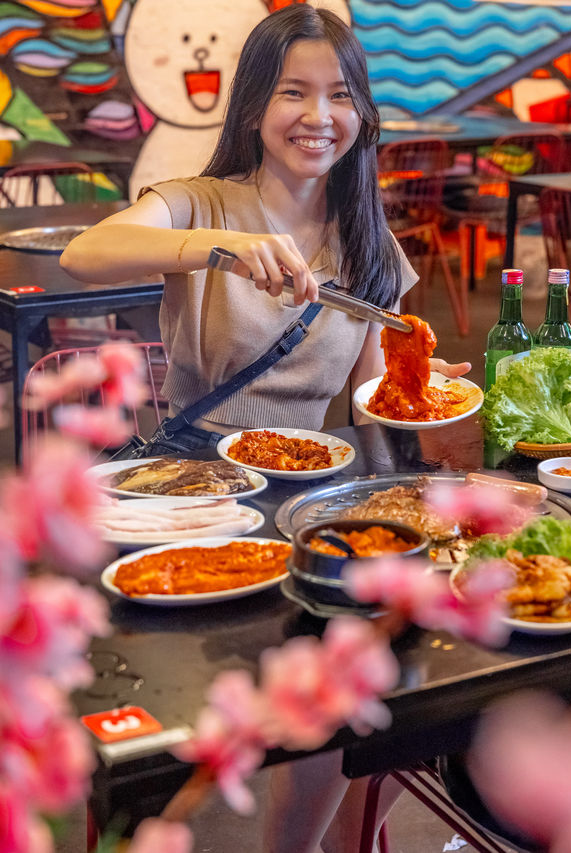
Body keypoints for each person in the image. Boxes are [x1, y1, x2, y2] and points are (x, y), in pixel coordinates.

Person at [61, 5, 470, 848]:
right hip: (199, 493)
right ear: (254, 106)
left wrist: (419, 386)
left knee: (397, 671)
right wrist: (217, 247)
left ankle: (313, 837)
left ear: (361, 114)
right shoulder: (201, 202)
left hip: (316, 501)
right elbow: (86, 254)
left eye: (340, 95)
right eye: (295, 92)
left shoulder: (367, 238)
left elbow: (368, 396)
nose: (319, 117)